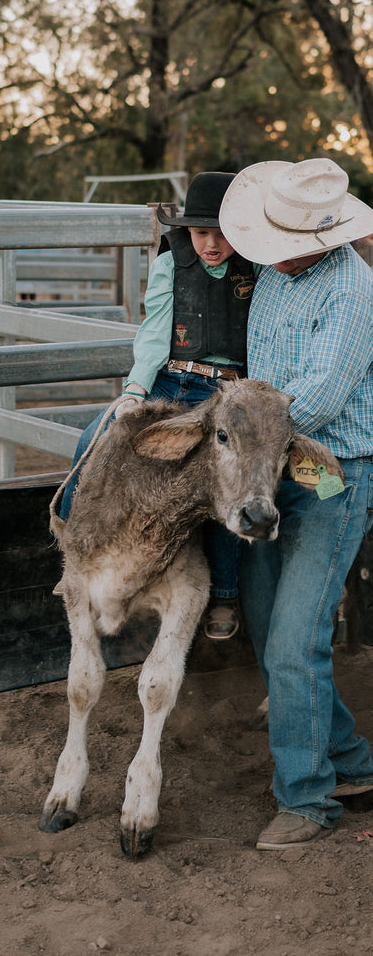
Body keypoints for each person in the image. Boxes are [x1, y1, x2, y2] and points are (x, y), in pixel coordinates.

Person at [219, 157, 373, 850]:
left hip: (331, 474)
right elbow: (262, 381)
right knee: (267, 625)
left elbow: (321, 395)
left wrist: (233, 426)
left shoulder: (353, 288)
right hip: (268, 470)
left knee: (293, 639)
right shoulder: (275, 285)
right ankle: (349, 764)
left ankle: (305, 801)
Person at [59, 171, 259, 641]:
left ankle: (224, 593)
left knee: (227, 481)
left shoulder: (258, 267)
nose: (211, 244)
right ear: (187, 230)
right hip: (169, 380)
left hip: (226, 390)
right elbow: (154, 329)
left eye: (221, 233)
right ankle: (74, 553)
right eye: (200, 232)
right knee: (95, 439)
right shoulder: (172, 261)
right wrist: (134, 389)